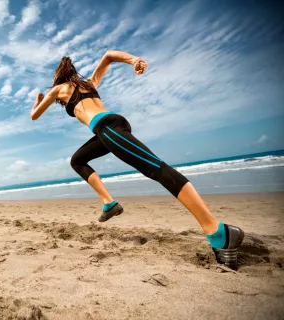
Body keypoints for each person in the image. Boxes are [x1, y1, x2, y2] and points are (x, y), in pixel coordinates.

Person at [29, 50, 245, 269]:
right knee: (77, 160)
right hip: (111, 127)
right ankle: (109, 204)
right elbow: (108, 56)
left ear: (59, 77)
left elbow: (34, 115)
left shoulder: (58, 89)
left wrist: (37, 101)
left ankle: (218, 231)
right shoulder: (90, 84)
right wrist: (134, 60)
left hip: (107, 128)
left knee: (157, 169)